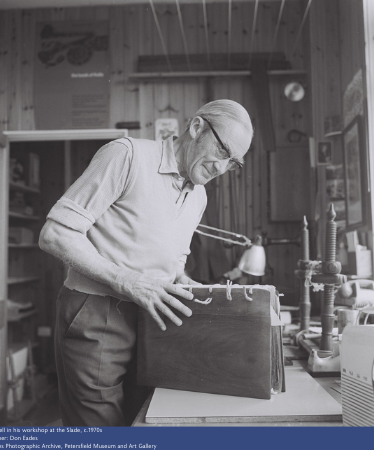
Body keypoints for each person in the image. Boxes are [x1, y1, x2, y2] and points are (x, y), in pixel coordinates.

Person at [38, 99, 254, 426]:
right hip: (97, 311)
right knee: (99, 431)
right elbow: (55, 234)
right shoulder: (127, 155)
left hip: (153, 316)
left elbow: (167, 253)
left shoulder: (199, 195)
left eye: (234, 163)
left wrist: (182, 279)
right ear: (196, 127)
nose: (222, 168)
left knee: (142, 421)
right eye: (223, 152)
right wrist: (127, 280)